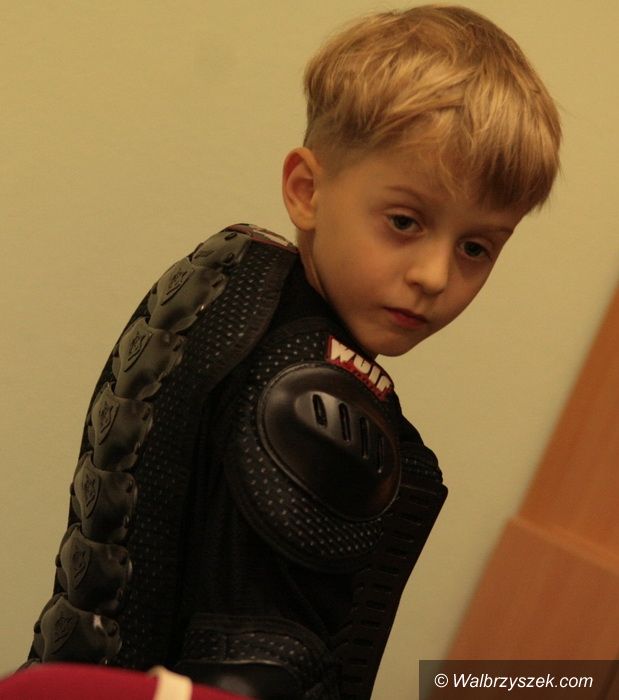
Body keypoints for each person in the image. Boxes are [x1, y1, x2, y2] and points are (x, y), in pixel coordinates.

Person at [21, 5, 561, 700]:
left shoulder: (223, 280)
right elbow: (256, 672)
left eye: (475, 248)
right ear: (306, 191)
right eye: (404, 221)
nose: (434, 275)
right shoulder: (316, 404)